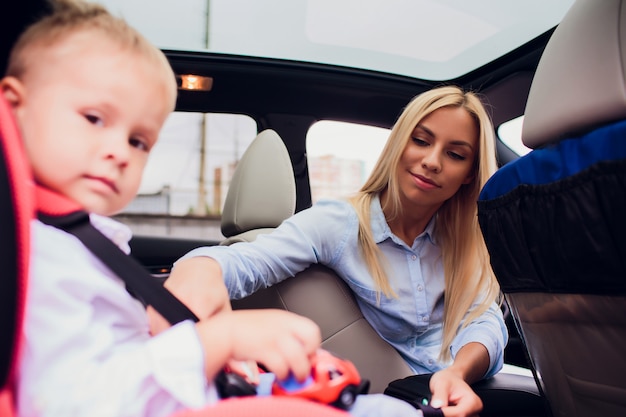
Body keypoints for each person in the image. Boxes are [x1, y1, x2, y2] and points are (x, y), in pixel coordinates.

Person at [2, 1, 424, 416]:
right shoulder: (39, 257)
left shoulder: (76, 240)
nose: (119, 152)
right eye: (93, 118)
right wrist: (216, 341)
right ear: (13, 105)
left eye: (139, 141)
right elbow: (68, 402)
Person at [167, 85, 509, 417]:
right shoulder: (341, 222)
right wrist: (200, 267)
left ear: (469, 174)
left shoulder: (465, 240)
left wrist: (457, 374)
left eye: (455, 154)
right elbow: (248, 261)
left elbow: (483, 319)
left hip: (460, 391)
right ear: (398, 144)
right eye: (421, 140)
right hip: (395, 397)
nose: (432, 161)